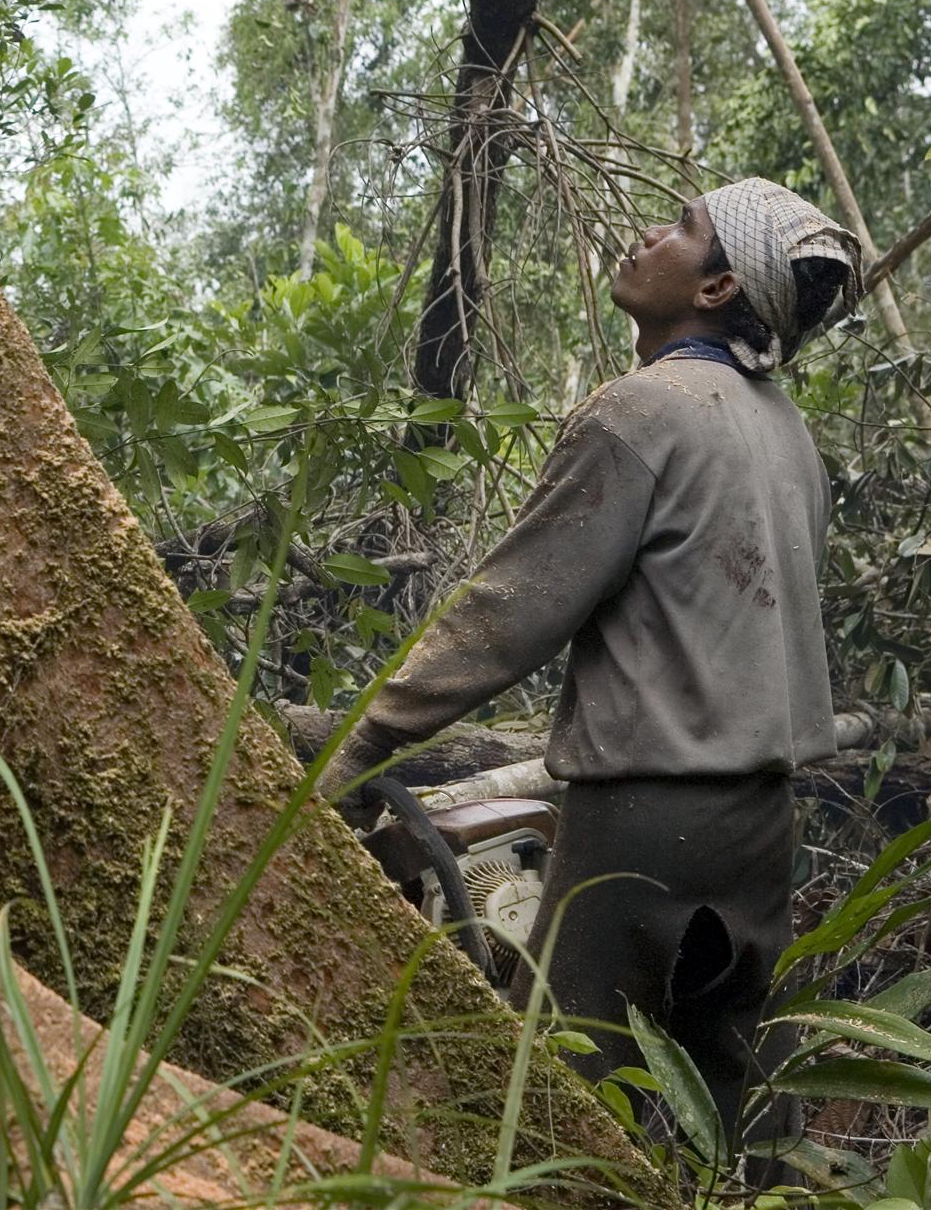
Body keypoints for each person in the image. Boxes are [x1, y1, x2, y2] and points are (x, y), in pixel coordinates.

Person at [318, 177, 860, 1157]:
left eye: (683, 227)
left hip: (644, 817)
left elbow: (505, 612)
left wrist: (367, 734)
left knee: (557, 1096)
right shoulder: (790, 433)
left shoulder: (642, 410)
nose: (651, 231)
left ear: (714, 287)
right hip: (762, 827)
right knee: (729, 1114)